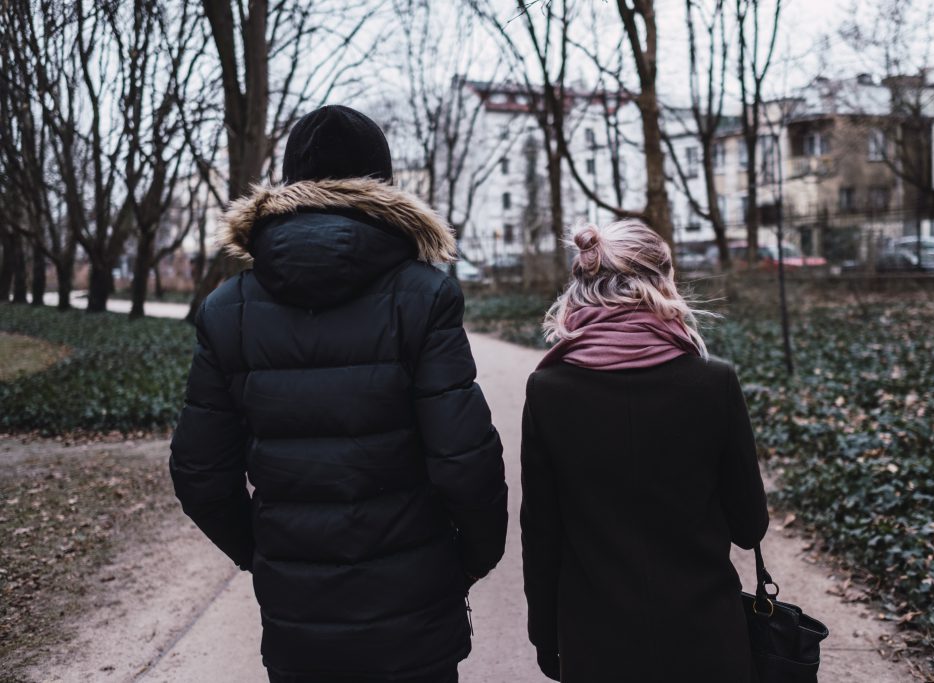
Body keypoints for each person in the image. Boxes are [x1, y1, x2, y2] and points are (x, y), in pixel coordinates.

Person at [169, 105, 508, 683]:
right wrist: (470, 558)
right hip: (414, 609)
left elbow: (200, 470)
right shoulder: (423, 296)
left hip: (298, 616)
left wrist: (266, 553)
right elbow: (464, 460)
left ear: (289, 184)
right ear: (383, 186)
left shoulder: (229, 309)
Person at [520, 219, 769, 683]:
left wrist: (546, 636)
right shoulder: (713, 383)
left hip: (596, 643)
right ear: (663, 280)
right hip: (706, 639)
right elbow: (749, 526)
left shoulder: (548, 390)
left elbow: (542, 534)